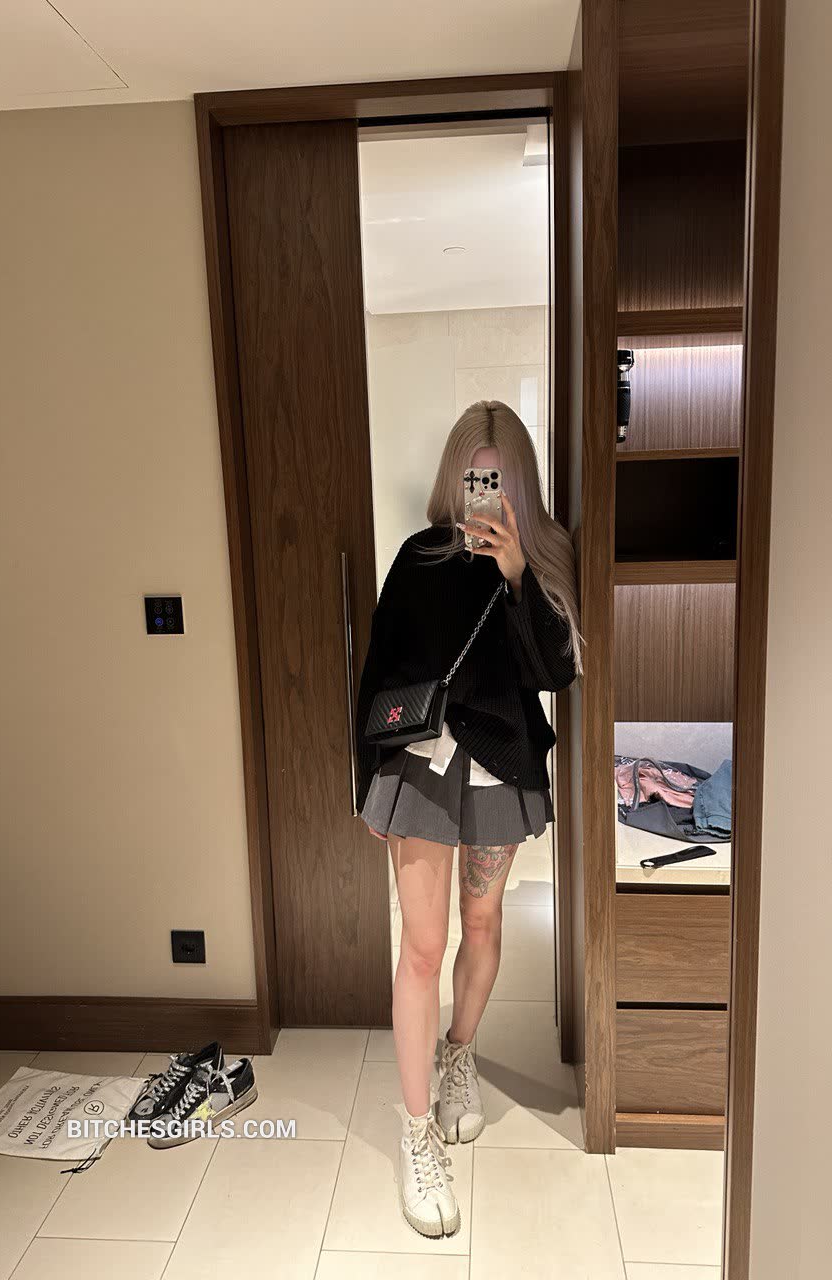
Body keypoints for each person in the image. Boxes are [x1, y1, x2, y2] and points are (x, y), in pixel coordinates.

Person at [354, 400, 582, 1238]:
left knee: (482, 925)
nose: (483, 490)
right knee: (422, 946)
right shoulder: (420, 556)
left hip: (499, 765)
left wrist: (519, 574)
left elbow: (555, 673)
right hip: (421, 765)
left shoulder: (544, 558)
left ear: (519, 480)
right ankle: (416, 1132)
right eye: (473, 475)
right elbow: (379, 669)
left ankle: (459, 1053)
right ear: (455, 475)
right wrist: (367, 779)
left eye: (499, 477)